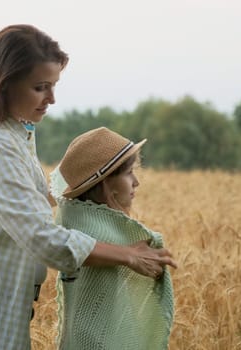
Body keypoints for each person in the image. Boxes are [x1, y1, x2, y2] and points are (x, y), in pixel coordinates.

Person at [0, 24, 177, 350]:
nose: (51, 98)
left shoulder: (14, 126)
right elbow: (41, 238)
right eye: (40, 87)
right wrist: (127, 255)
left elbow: (31, 193)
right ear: (4, 84)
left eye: (53, 86)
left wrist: (94, 176)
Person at [50, 127, 175, 350]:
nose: (136, 182)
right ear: (106, 183)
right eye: (128, 173)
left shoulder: (75, 222)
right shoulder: (105, 237)